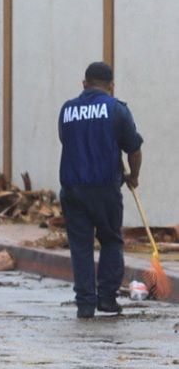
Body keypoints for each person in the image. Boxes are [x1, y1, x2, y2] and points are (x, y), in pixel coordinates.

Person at [58, 61, 143, 319]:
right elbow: (134, 149)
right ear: (111, 87)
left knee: (81, 246)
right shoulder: (117, 109)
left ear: (84, 84)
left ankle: (84, 304)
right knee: (110, 240)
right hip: (104, 187)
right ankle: (106, 299)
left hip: (72, 188)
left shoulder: (67, 109)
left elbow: (66, 141)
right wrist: (133, 177)